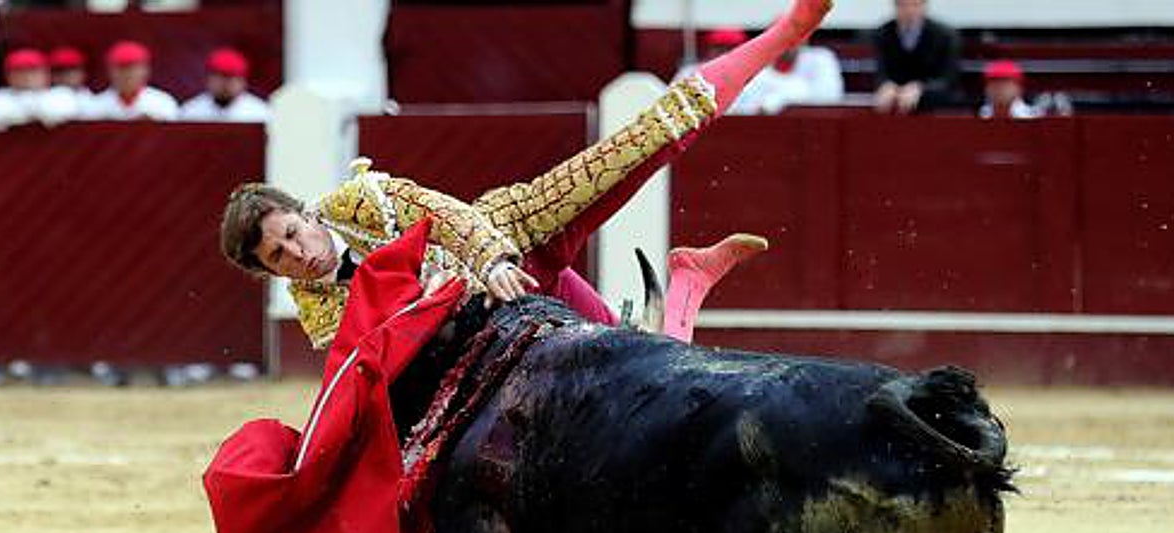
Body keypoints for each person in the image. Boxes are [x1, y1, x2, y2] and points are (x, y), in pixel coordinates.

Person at [221, 0, 834, 351]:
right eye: (278, 256)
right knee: (646, 368)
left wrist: (487, 261)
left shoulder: (354, 201)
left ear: (303, 212)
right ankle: (687, 284)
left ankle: (785, 31)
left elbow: (443, 212)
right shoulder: (317, 311)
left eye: (291, 232)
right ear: (267, 272)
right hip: (500, 325)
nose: (296, 253)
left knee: (646, 137)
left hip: (518, 228)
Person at [871, 0, 960, 115]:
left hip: (935, 107)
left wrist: (921, 89)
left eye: (915, 5)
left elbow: (949, 79)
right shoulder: (882, 34)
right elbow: (880, 71)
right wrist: (885, 85)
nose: (909, 11)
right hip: (894, 105)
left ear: (924, 6)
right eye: (903, 5)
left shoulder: (945, 36)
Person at [0, 47, 78, 131]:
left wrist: (22, 113)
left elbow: (55, 113)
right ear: (8, 76)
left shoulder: (60, 94)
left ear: (46, 74)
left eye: (33, 71)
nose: (27, 77)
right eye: (20, 71)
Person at [730, 44, 844, 115]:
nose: (787, 44)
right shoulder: (758, 70)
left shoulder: (821, 59)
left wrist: (774, 101)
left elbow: (828, 97)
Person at [85, 40, 178, 121]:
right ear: (110, 71)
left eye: (132, 68)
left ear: (145, 70)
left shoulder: (162, 102)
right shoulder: (96, 105)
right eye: (121, 68)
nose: (127, 74)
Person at [179, 47, 269, 123]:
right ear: (208, 79)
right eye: (220, 77)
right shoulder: (191, 111)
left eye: (231, 78)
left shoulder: (259, 112)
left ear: (243, 82)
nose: (225, 84)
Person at [48, 45, 96, 114]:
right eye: (61, 70)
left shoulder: (95, 99)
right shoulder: (44, 100)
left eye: (73, 69)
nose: (68, 75)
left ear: (84, 73)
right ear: (52, 75)